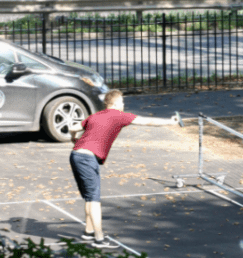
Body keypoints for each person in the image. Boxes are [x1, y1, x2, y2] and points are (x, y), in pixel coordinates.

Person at [68, 89, 179, 248]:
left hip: (76, 155)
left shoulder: (95, 115)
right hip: (87, 158)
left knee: (89, 195)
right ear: (115, 103)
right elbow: (147, 121)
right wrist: (170, 121)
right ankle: (99, 239)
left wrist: (74, 139)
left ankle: (88, 232)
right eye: (122, 102)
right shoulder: (119, 116)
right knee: (94, 199)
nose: (124, 104)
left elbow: (73, 127)